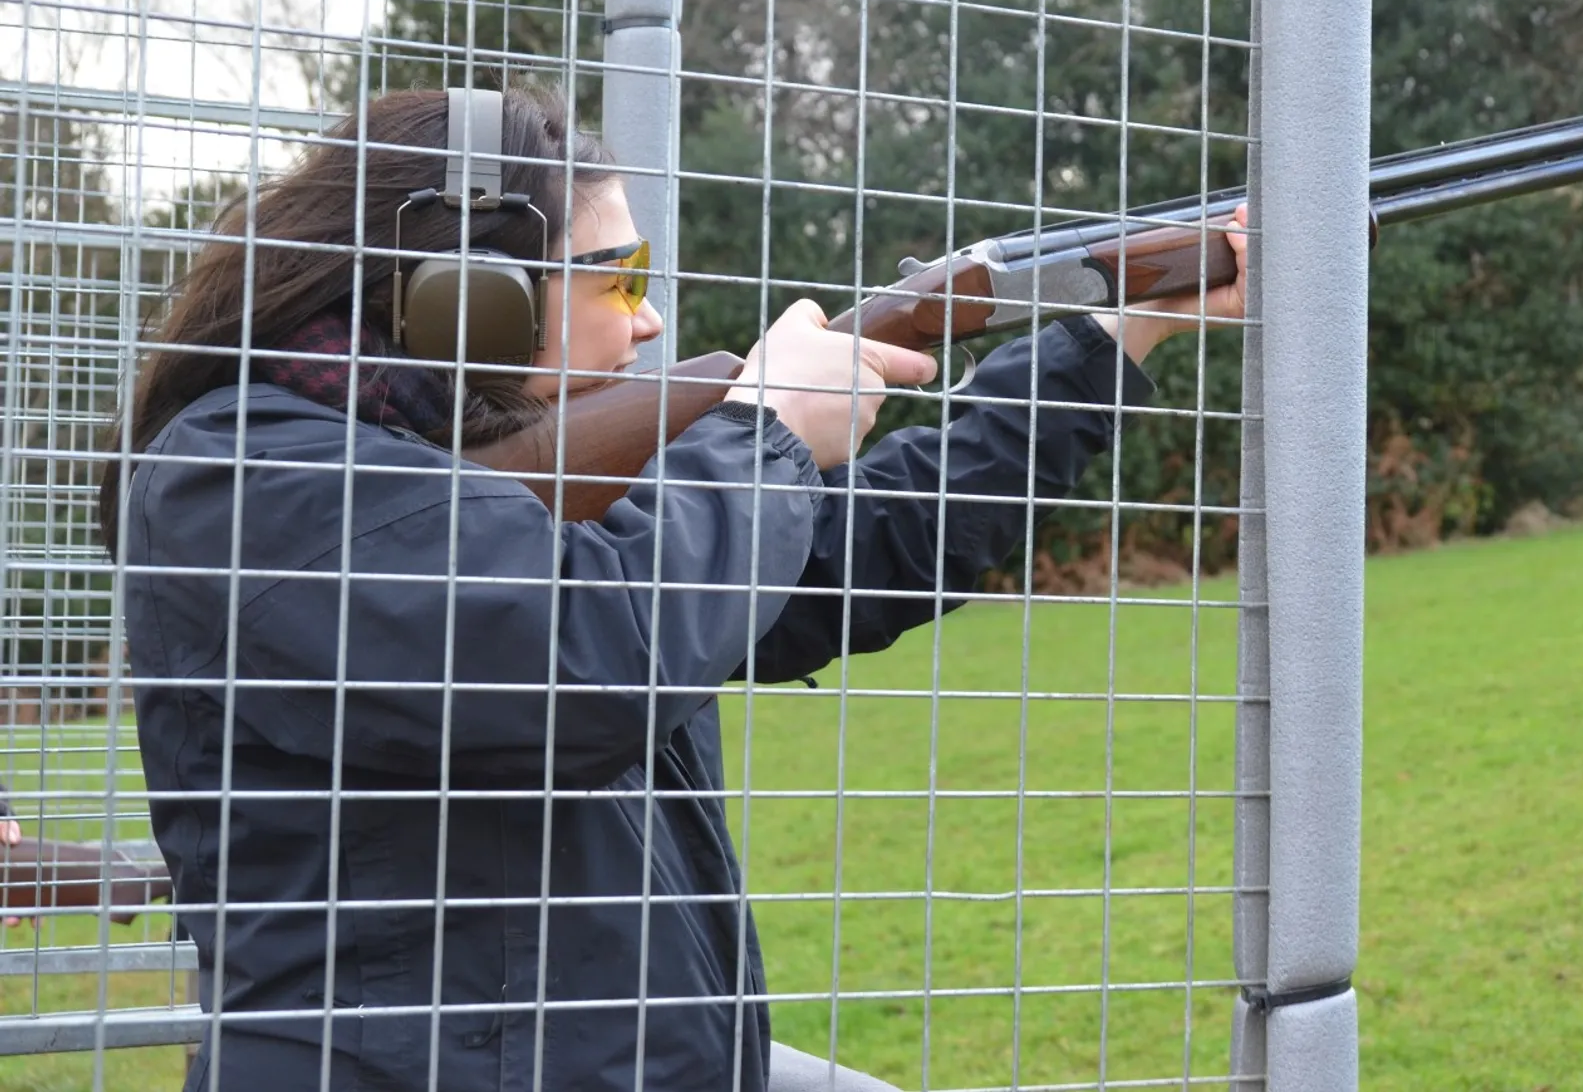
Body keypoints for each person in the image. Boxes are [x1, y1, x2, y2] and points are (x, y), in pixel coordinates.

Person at [96, 85, 1247, 1092]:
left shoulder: (511, 477)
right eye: (620, 276)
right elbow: (582, 663)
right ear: (470, 294)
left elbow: (855, 561)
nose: (648, 320)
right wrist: (761, 440)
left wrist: (1108, 335)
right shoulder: (244, 474)